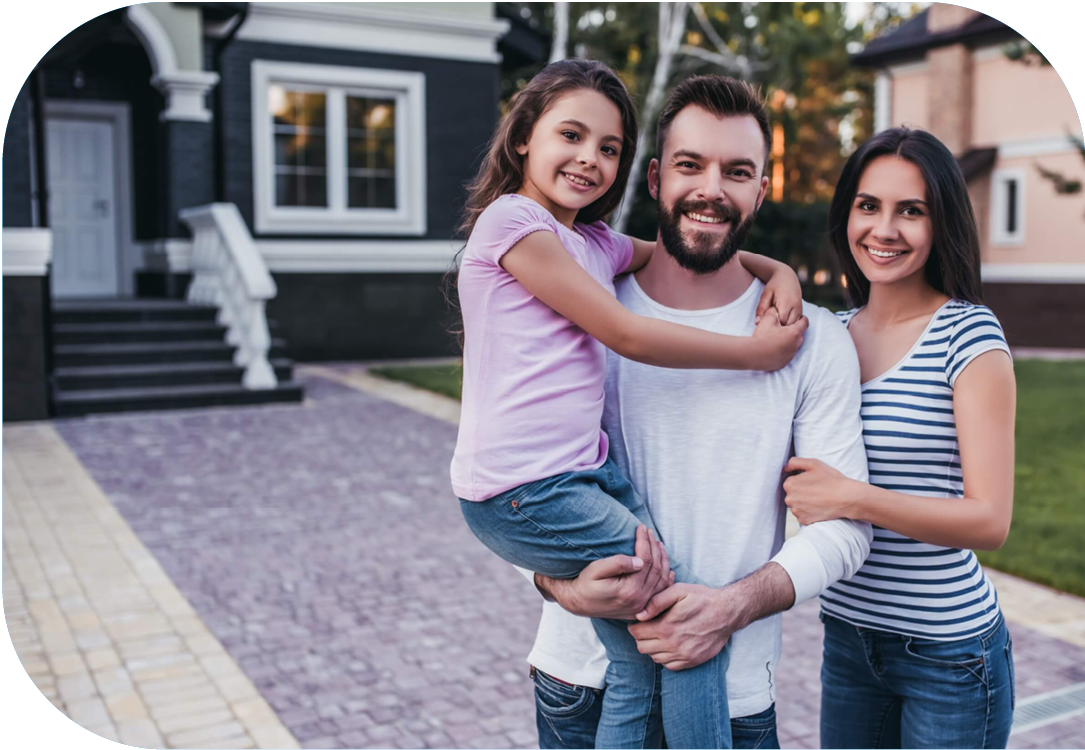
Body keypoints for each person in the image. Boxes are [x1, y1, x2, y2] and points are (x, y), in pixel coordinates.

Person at [451, 60, 808, 749]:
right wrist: (753, 355)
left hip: (581, 476)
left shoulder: (589, 243)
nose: (589, 159)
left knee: (643, 652)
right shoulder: (512, 223)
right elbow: (624, 332)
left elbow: (683, 249)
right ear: (523, 136)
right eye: (571, 135)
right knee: (684, 620)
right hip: (526, 488)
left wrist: (781, 269)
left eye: (608, 147)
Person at [518, 75, 874, 750]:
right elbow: (517, 478)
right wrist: (557, 585)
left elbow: (845, 531)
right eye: (690, 165)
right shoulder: (579, 308)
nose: (711, 189)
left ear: (759, 191)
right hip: (581, 684)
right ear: (654, 178)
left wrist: (731, 606)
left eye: (736, 171)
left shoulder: (810, 337)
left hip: (732, 695)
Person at [781, 127, 1017, 749]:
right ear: (846, 214)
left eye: (910, 211)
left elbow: (990, 521)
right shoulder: (826, 335)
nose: (884, 229)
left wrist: (852, 499)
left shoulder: (967, 336)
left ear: (940, 223)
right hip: (850, 638)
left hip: (948, 654)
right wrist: (772, 270)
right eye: (868, 206)